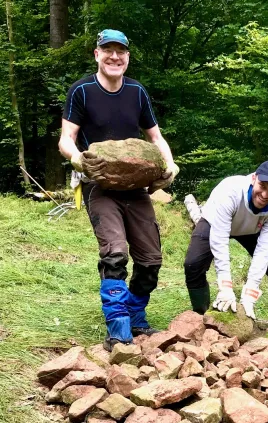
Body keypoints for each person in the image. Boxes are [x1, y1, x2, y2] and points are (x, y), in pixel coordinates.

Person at [58, 29, 179, 351]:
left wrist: (170, 165)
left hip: (136, 188)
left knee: (151, 259)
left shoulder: (137, 92)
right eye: (107, 50)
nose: (115, 56)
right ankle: (118, 328)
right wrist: (78, 159)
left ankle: (137, 318)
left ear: (127, 57)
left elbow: (155, 137)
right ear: (97, 54)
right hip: (99, 185)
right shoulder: (82, 91)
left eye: (121, 51)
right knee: (114, 253)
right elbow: (66, 138)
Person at [183, 161, 268, 330]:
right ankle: (202, 318)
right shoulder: (230, 191)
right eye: (262, 186)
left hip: (252, 230)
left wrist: (250, 293)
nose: (265, 194)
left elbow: (264, 250)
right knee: (193, 264)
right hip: (214, 221)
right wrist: (225, 287)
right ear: (254, 178)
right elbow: (219, 241)